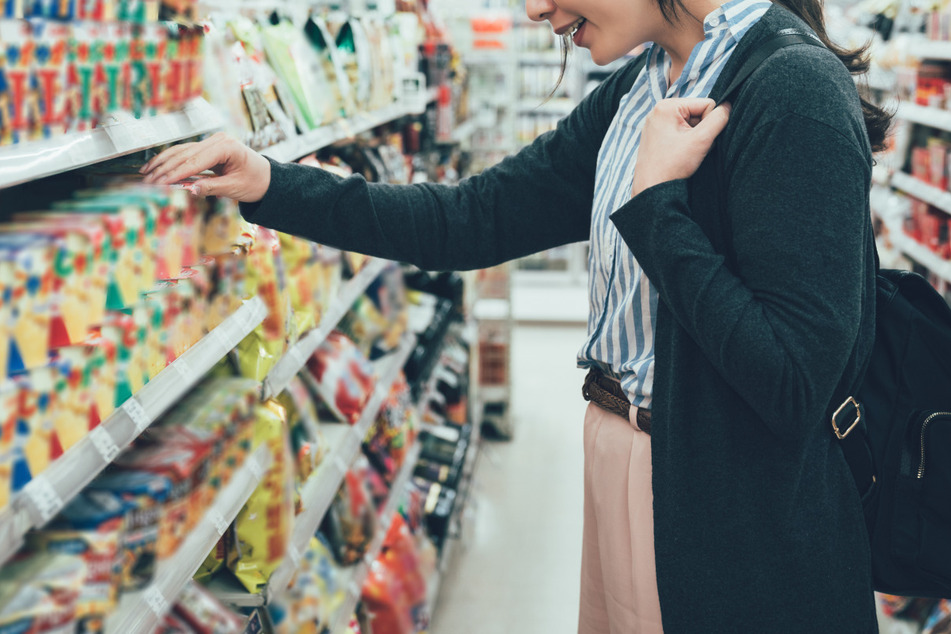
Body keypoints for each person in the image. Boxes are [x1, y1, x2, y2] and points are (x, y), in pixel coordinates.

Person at [142, 0, 891, 630]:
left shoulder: (793, 90)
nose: (533, 9)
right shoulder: (644, 86)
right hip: (627, 459)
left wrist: (656, 204)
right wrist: (268, 182)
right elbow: (475, 217)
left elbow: (792, 379)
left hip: (734, 515)